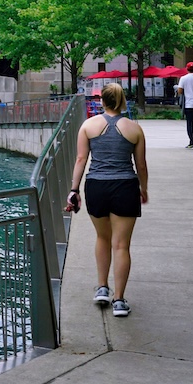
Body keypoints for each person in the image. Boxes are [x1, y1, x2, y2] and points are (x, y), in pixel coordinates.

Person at [66, 82, 148, 318]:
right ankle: (119, 301)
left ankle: (102, 288)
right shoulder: (134, 128)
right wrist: (144, 189)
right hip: (125, 186)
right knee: (121, 245)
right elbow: (140, 165)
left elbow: (81, 159)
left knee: (102, 237)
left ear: (101, 100)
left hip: (96, 186)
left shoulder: (88, 126)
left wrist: (74, 190)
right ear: (122, 101)